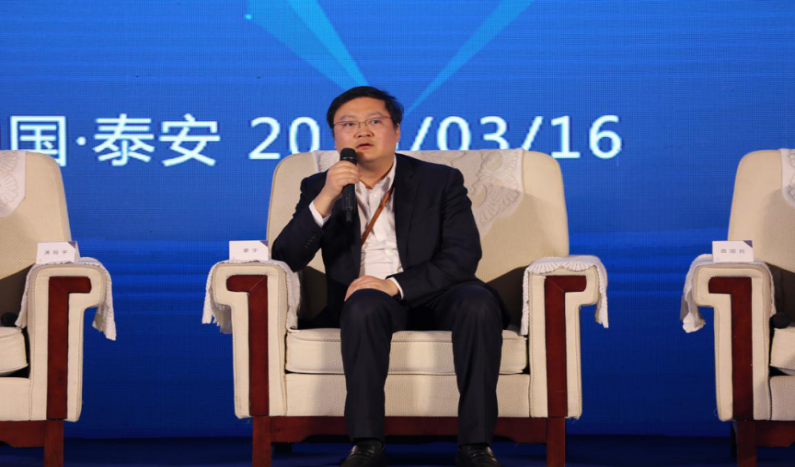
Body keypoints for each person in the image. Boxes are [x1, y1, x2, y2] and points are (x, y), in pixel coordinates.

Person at [272, 86, 509, 467]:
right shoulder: (319, 186)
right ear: (335, 136)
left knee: (478, 302)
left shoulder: (440, 180)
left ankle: (476, 446)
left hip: (437, 292)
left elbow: (463, 256)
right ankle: (367, 445)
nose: (361, 131)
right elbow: (286, 257)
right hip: (366, 301)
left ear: (397, 130)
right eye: (348, 124)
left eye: (374, 121)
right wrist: (326, 197)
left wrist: (395, 285)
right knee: (364, 303)